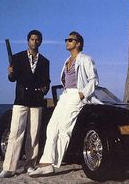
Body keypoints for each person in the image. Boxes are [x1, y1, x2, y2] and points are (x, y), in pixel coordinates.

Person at [29, 31, 99, 177]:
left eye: (70, 40)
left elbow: (94, 79)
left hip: (76, 95)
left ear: (78, 43)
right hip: (65, 95)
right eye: (66, 40)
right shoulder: (67, 60)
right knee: (51, 127)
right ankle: (45, 163)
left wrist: (82, 94)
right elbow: (64, 80)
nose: (67, 42)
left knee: (64, 129)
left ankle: (51, 164)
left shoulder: (86, 59)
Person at [0, 30, 50, 179]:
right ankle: (8, 169)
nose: (35, 42)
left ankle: (30, 166)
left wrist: (45, 88)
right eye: (32, 39)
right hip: (21, 99)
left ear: (41, 42)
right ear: (28, 41)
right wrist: (10, 73)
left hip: (37, 101)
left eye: (37, 40)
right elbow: (12, 79)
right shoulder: (17, 58)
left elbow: (47, 81)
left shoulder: (45, 61)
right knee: (15, 134)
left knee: (33, 135)